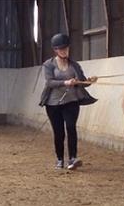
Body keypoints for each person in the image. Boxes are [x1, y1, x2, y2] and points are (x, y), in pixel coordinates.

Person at [38, 33, 98, 170]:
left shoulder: (74, 65)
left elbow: (82, 82)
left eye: (66, 48)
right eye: (61, 49)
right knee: (59, 132)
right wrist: (66, 82)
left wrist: (90, 81)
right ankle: (60, 159)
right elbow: (49, 82)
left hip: (71, 101)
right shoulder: (49, 65)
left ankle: (72, 158)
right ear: (55, 50)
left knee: (71, 127)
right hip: (53, 104)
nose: (64, 51)